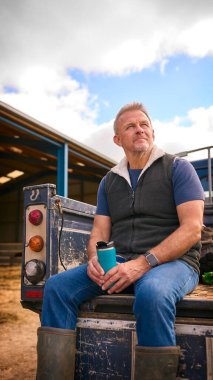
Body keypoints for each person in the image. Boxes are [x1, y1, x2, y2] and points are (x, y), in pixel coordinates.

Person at [37, 102, 205, 380]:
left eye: (144, 124)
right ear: (117, 139)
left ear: (153, 131)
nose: (139, 129)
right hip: (123, 258)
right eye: (130, 126)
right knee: (56, 287)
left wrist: (143, 263)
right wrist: (93, 258)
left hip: (176, 262)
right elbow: (99, 234)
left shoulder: (178, 168)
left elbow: (192, 230)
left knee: (152, 293)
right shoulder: (109, 181)